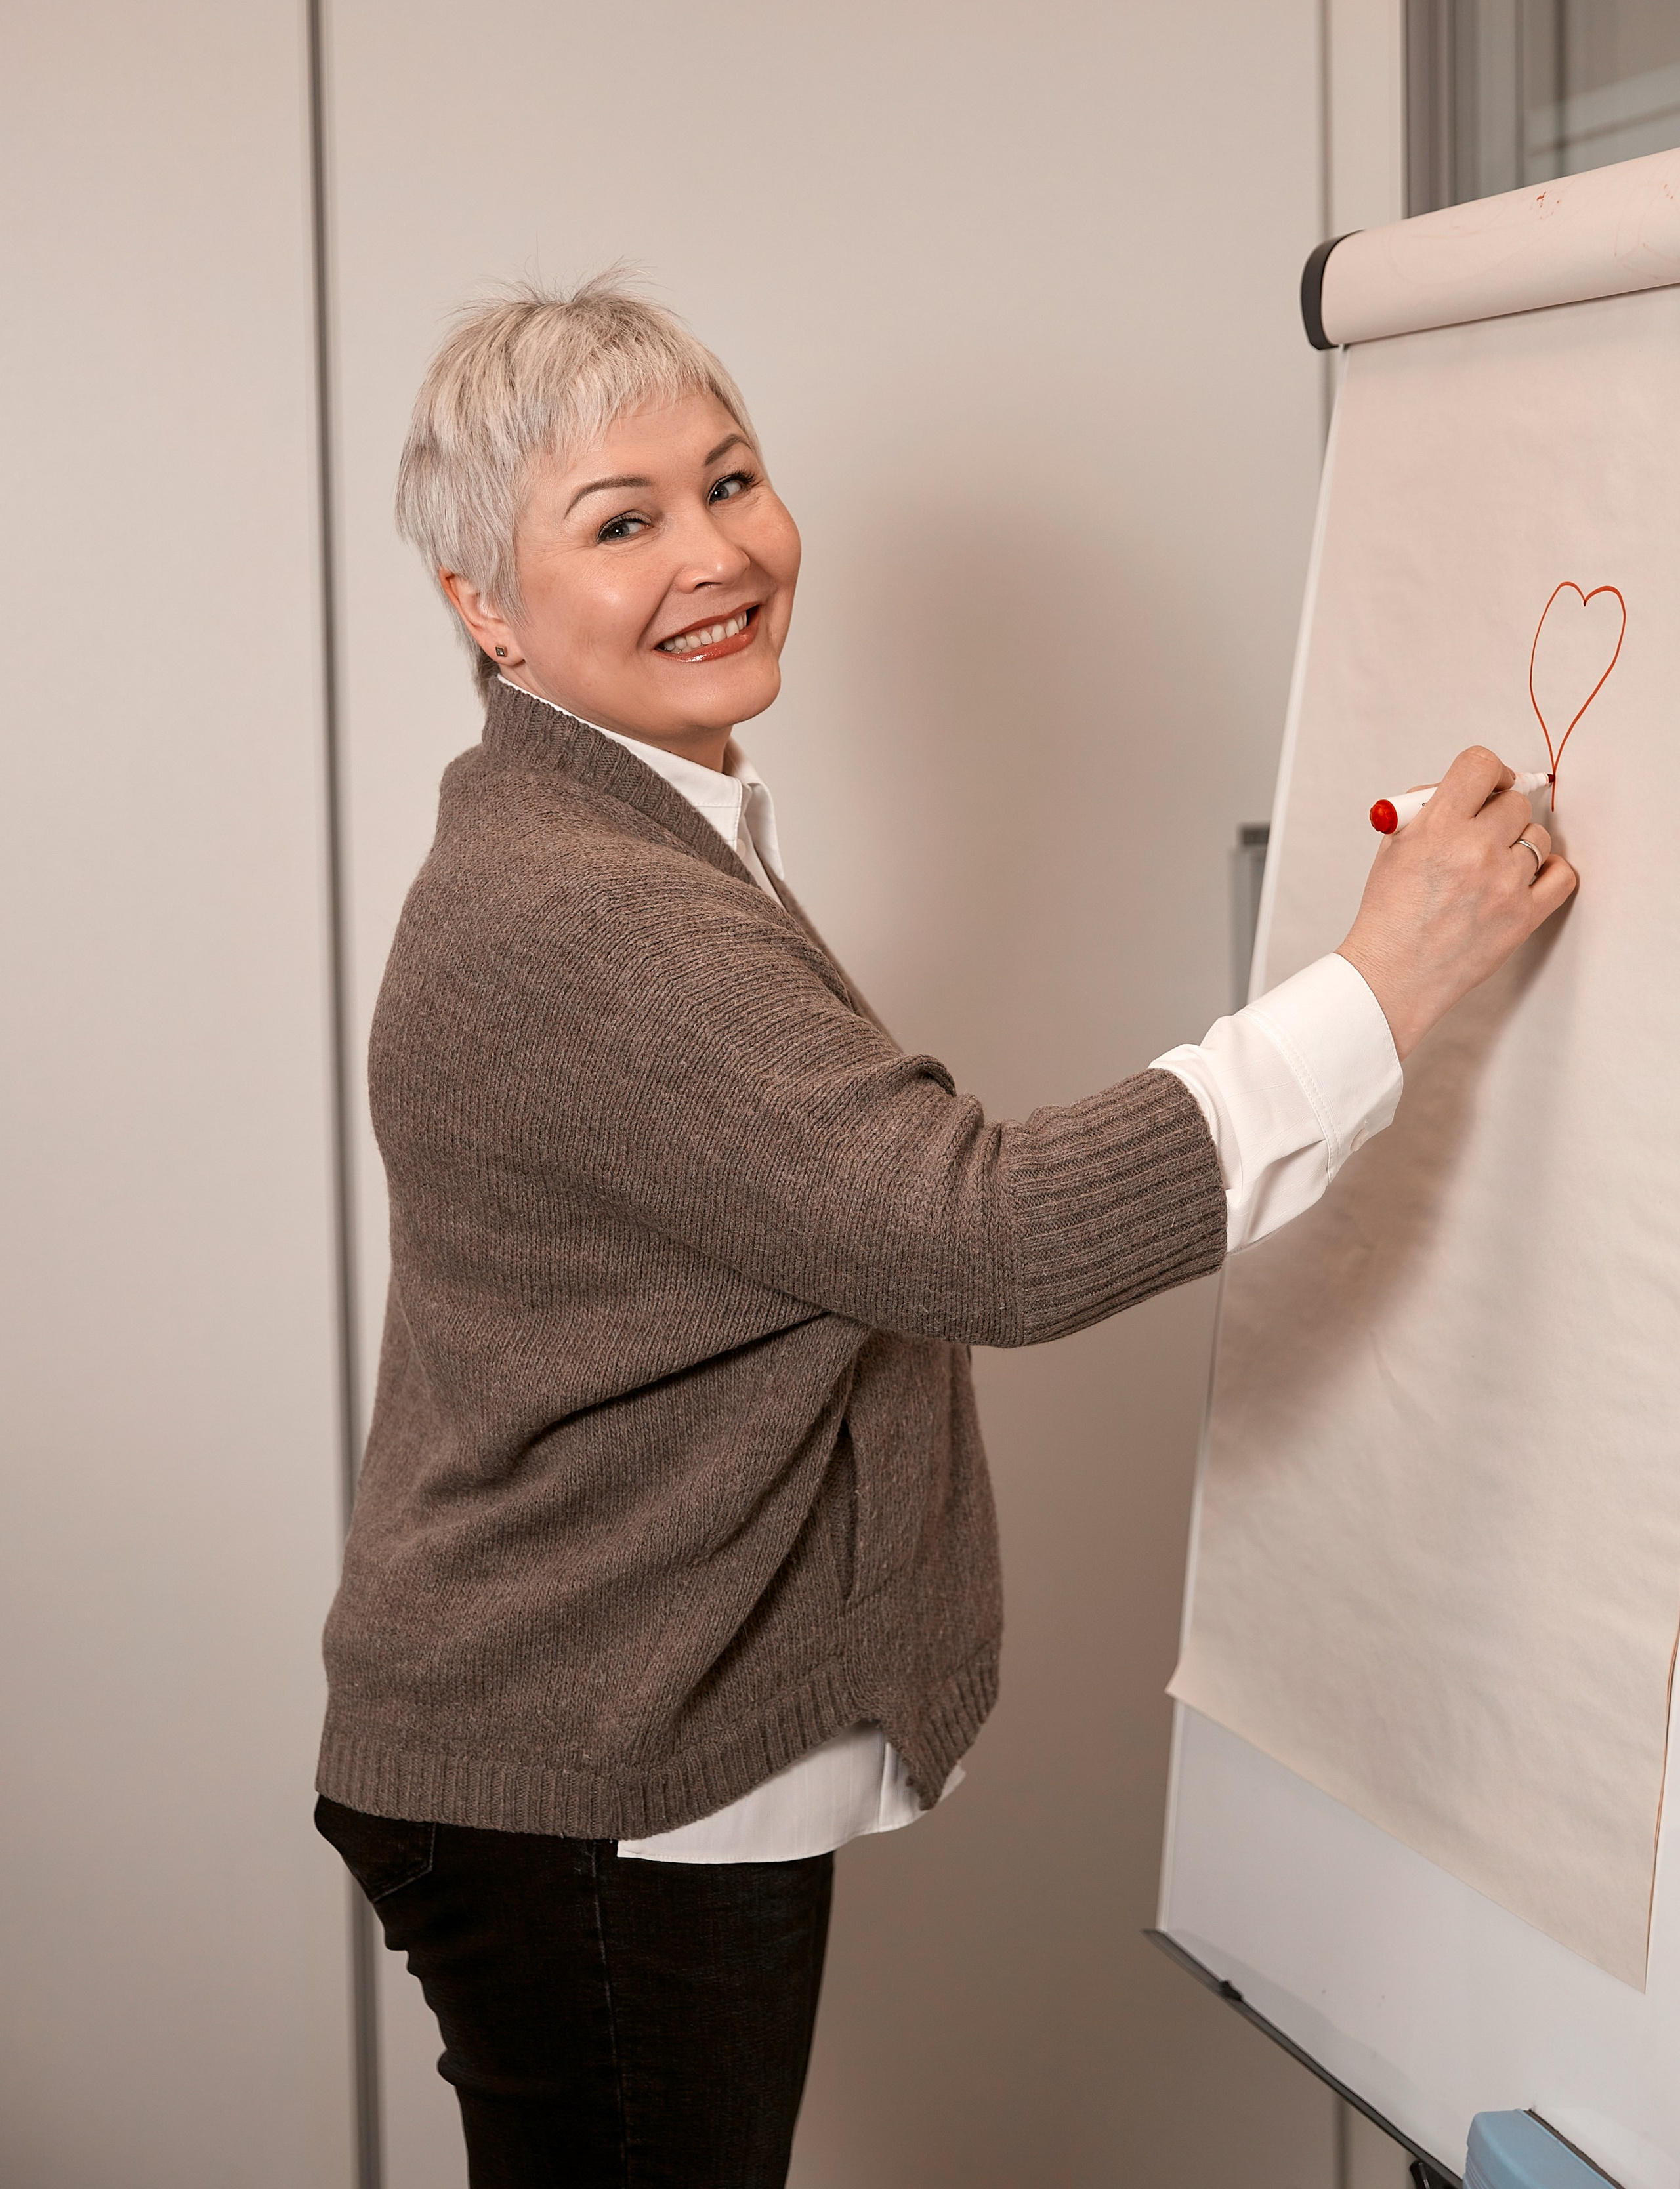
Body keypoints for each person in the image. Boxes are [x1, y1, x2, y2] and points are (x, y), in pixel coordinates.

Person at [314, 277, 1574, 2188]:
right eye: (623, 519)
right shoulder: (584, 911)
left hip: (601, 1757)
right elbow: (979, 1235)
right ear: (481, 608)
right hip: (596, 1786)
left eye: (731, 480)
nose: (718, 551)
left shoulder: (624, 834)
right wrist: (1382, 983)